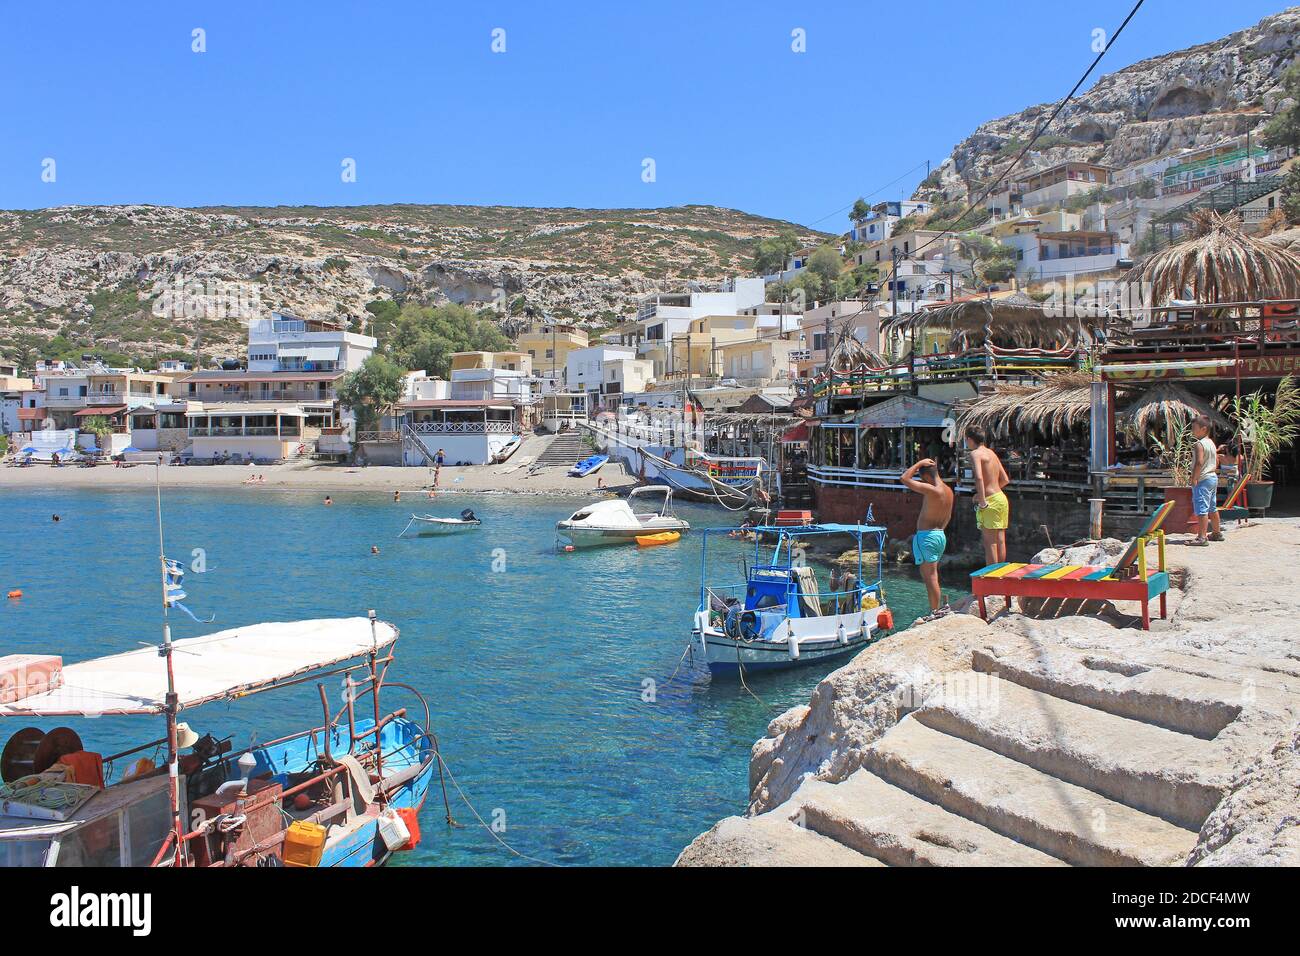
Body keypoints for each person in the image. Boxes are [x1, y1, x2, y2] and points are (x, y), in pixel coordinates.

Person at [900, 457, 954, 618]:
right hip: (939, 535)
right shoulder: (948, 491)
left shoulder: (933, 490)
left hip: (928, 537)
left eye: (923, 479)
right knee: (931, 575)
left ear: (926, 477)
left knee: (930, 577)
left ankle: (935, 612)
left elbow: (904, 478)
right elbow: (949, 516)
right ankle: (938, 608)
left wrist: (918, 463)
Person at [966, 426, 1011, 566]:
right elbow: (1005, 480)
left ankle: (991, 578)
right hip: (1001, 498)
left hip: (989, 501)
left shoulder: (975, 454)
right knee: (1000, 539)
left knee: (990, 543)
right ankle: (1001, 574)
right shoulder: (991, 453)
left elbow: (979, 477)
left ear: (969, 439)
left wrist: (982, 499)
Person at [1190, 415, 1223, 545]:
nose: (1192, 430)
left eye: (1194, 428)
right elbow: (1216, 460)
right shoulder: (1211, 443)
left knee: (1201, 509)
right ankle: (1216, 532)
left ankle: (1202, 537)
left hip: (1203, 479)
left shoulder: (1199, 444)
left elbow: (1199, 462)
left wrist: (1194, 478)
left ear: (1203, 429)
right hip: (1212, 477)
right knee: (1212, 508)